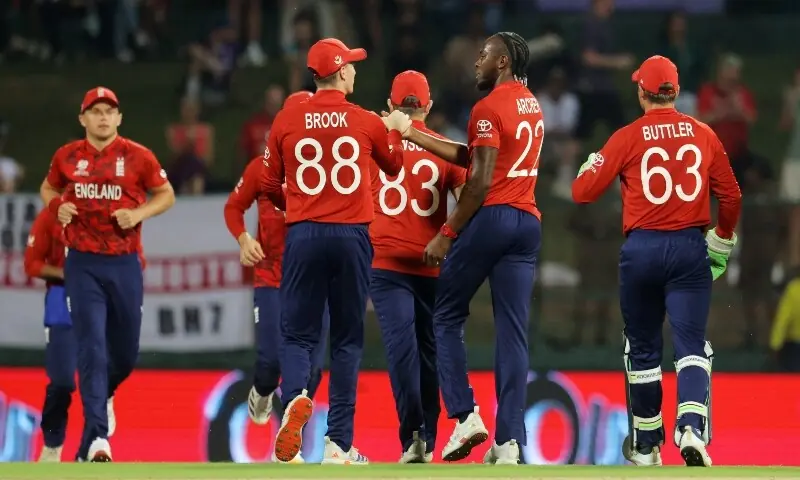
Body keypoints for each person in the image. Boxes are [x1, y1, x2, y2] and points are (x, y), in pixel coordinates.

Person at [571, 55, 742, 467]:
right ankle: (691, 429)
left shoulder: (627, 137)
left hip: (642, 252)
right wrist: (721, 240)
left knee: (643, 347)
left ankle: (647, 444)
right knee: (691, 344)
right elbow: (732, 197)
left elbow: (582, 193)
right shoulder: (703, 134)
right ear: (677, 92)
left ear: (641, 92)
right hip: (688, 250)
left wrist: (592, 162)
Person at [383, 32, 541, 465]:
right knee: (513, 331)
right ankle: (508, 442)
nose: (477, 62)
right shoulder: (531, 103)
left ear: (503, 61)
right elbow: (471, 157)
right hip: (527, 222)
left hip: (492, 218)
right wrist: (414, 132)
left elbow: (479, 181)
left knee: (445, 314)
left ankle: (464, 414)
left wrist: (447, 233)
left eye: (484, 55)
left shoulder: (488, 108)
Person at [260, 38, 408, 465]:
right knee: (346, 340)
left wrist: (299, 206)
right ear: (341, 71)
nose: (356, 72)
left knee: (297, 334)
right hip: (351, 236)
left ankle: (294, 399)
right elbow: (394, 165)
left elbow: (269, 184)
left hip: (304, 234)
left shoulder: (287, 119)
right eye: (353, 66)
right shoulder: (364, 120)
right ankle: (338, 444)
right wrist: (396, 127)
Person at [39, 87, 176, 462]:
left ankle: (101, 406)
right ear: (82, 118)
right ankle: (99, 437)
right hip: (82, 263)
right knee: (92, 347)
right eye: (95, 111)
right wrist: (57, 207)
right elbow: (49, 186)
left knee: (127, 352)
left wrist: (139, 214)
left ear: (119, 118)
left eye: (109, 111)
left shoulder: (138, 156)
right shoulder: (67, 156)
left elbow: (166, 194)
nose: (102, 117)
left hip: (125, 262)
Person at [224, 90, 329, 464]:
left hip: (316, 282)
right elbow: (234, 206)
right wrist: (243, 238)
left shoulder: (329, 171)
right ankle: (263, 391)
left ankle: (289, 443)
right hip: (271, 277)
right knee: (269, 361)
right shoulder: (261, 169)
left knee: (313, 368)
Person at [370, 71, 466, 463]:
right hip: (431, 263)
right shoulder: (443, 147)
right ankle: (426, 432)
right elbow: (468, 200)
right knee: (430, 352)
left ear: (392, 106)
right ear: (428, 106)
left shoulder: (373, 141)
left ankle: (412, 437)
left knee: (401, 351)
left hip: (386, 262)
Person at [25, 207, 146, 462]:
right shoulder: (52, 214)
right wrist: (69, 274)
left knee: (99, 363)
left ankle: (88, 447)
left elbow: (138, 259)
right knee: (62, 380)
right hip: (62, 297)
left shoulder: (112, 210)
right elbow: (32, 263)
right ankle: (52, 442)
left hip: (100, 299)